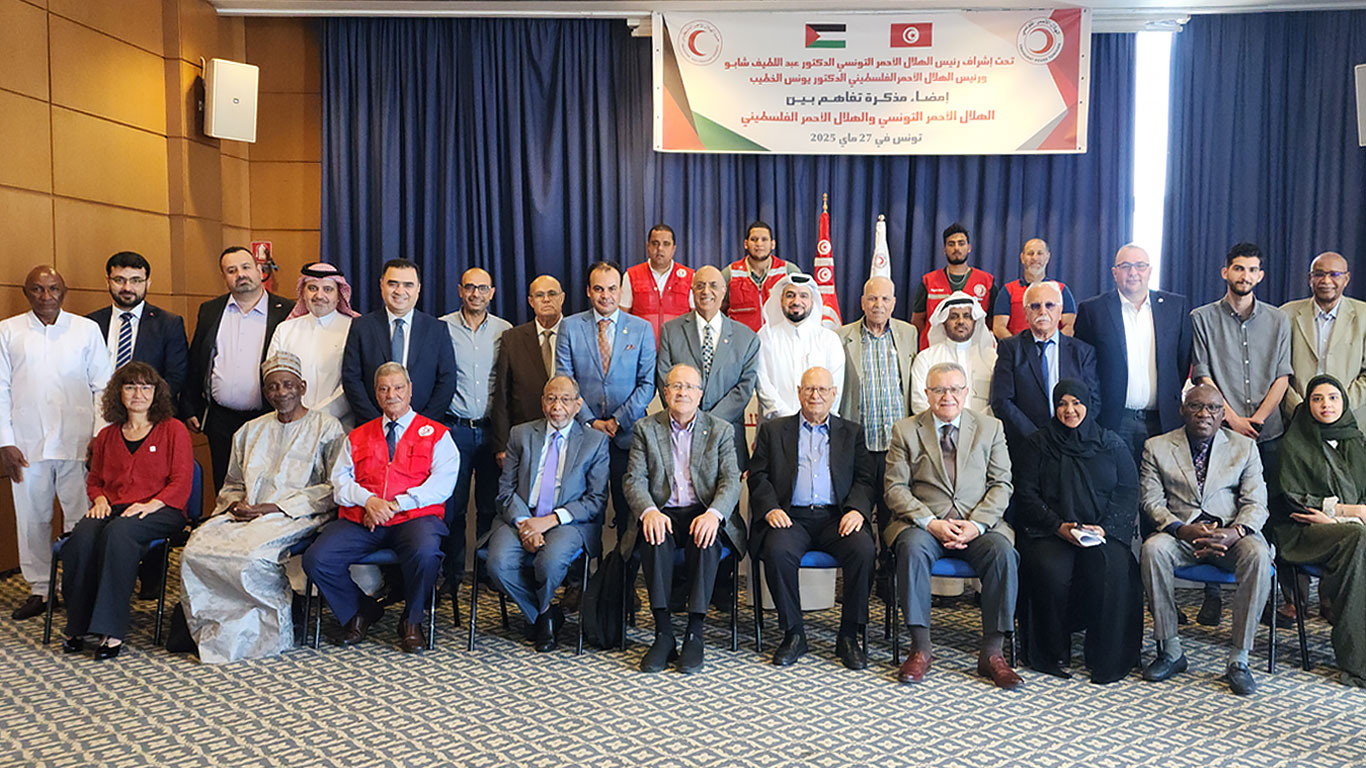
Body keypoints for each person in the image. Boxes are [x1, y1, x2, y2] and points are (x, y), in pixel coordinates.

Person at [179, 351, 346, 663]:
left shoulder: (327, 427)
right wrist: (235, 504)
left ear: (302, 387)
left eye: (288, 385)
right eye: (273, 386)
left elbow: (332, 489)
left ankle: (265, 635)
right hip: (246, 515)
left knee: (252, 556)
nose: (281, 393)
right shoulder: (249, 430)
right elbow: (232, 483)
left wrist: (273, 507)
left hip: (297, 514)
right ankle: (217, 633)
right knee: (196, 550)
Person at [303, 363, 459, 653]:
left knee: (426, 553)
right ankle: (360, 611)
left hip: (415, 518)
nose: (392, 395)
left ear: (410, 390)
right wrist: (370, 501)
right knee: (317, 559)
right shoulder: (358, 435)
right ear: (376, 394)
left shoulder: (437, 435)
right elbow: (340, 482)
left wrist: (397, 504)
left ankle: (412, 621)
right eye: (384, 389)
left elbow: (442, 485)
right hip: (364, 518)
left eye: (398, 387)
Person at [883, 362, 1020, 689]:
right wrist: (931, 523)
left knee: (1003, 553)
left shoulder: (990, 428)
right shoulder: (905, 430)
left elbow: (1002, 484)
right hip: (924, 525)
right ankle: (920, 648)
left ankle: (993, 653)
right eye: (939, 389)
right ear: (927, 393)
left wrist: (977, 524)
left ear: (966, 392)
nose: (948, 396)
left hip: (978, 525)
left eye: (955, 389)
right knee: (911, 549)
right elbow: (895, 488)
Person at [1138, 384, 1272, 696]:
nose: (1204, 414)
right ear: (1183, 410)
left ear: (1223, 415)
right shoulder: (1156, 447)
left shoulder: (1244, 447)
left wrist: (1236, 531)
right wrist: (1180, 529)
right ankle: (1171, 650)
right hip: (1182, 534)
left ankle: (1239, 659)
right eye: (1196, 406)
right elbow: (1151, 502)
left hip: (1231, 534)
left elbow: (1256, 503)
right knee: (1152, 549)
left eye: (1212, 408)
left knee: (1258, 554)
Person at [59, 363, 193, 659]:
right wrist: (99, 500)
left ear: (156, 393)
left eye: (146, 387)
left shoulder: (174, 429)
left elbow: (182, 482)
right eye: (130, 386)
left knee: (119, 534)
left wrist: (151, 504)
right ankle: (78, 625)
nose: (138, 393)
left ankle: (111, 628)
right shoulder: (107, 435)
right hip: (114, 507)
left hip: (163, 509)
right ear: (118, 393)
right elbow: (95, 481)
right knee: (81, 538)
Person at [1, 266, 112, 621]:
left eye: (53, 288)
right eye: (37, 289)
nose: (46, 296)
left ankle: (80, 587)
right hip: (26, 445)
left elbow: (103, 386)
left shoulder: (86, 329)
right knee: (32, 520)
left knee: (81, 519)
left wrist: (99, 435)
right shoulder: (7, 331)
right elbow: (0, 389)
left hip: (78, 442)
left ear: (64, 292)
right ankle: (41, 589)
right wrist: (5, 441)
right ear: (26, 293)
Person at [1014, 379, 1142, 683]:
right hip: (1050, 531)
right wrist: (1058, 526)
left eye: (1076, 403)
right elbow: (1026, 493)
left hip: (1101, 532)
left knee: (1112, 568)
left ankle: (1106, 659)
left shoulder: (1111, 444)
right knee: (1049, 571)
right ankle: (1051, 654)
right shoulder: (1038, 444)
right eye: (1062, 404)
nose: (1069, 410)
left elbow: (1127, 491)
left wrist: (1105, 528)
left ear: (1088, 405)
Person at [749, 367, 876, 670]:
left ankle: (849, 636)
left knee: (863, 550)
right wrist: (770, 508)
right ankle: (794, 633)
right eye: (809, 389)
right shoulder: (773, 431)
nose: (815, 395)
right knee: (777, 551)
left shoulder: (852, 432)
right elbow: (757, 476)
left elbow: (866, 479)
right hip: (790, 516)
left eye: (822, 390)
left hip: (837, 517)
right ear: (799, 393)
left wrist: (857, 510)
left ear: (834, 394)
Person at [622, 364, 745, 674]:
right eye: (676, 386)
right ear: (665, 393)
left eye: (690, 387)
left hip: (702, 509)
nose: (683, 392)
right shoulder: (645, 429)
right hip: (663, 510)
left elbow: (731, 481)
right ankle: (663, 633)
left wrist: (714, 514)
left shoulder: (720, 430)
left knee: (706, 539)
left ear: (700, 394)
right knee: (652, 537)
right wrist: (649, 511)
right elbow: (634, 480)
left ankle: (695, 632)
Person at [486, 376, 610, 652]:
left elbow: (595, 500)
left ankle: (539, 617)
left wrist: (550, 521)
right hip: (520, 516)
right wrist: (525, 524)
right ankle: (543, 615)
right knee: (497, 565)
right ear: (542, 402)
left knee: (550, 563)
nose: (557, 407)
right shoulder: (520, 434)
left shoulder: (595, 442)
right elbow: (505, 491)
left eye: (565, 400)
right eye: (551, 399)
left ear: (578, 405)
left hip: (569, 521)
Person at [1269, 375, 1366, 687]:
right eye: (1317, 399)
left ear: (1344, 402)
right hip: (1302, 532)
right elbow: (1294, 499)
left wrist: (1340, 519)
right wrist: (1347, 513)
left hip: (1341, 530)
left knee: (1356, 538)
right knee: (1356, 539)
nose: (1326, 405)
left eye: (1333, 398)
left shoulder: (1356, 441)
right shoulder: (1294, 442)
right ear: (1307, 404)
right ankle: (1358, 661)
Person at [555, 260, 656, 533]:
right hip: (583, 434)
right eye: (599, 289)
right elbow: (565, 383)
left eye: (612, 288)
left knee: (628, 509)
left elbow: (648, 384)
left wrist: (617, 421)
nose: (606, 295)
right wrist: (591, 421)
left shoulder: (641, 328)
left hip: (627, 435)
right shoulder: (570, 327)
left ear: (621, 290)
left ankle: (625, 562)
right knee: (584, 508)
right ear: (588, 291)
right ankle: (588, 561)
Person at [1074, 244, 1193, 467]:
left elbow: (1182, 359)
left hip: (1163, 420)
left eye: (1140, 266)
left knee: (1161, 484)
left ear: (1150, 271)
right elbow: (1084, 366)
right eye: (1125, 266)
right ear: (1114, 272)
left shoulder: (1175, 307)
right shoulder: (1093, 310)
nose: (1133, 272)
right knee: (1116, 483)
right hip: (1114, 421)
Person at [185, 246, 291, 490]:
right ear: (224, 277)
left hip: (269, 417)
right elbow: (197, 359)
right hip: (221, 421)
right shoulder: (210, 310)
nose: (240, 274)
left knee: (264, 488)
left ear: (259, 270)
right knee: (225, 487)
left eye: (245, 267)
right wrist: (190, 406)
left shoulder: (286, 311)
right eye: (231, 270)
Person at [439, 268, 512, 596]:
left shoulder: (504, 330)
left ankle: (485, 573)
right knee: (452, 507)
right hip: (453, 430)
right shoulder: (441, 328)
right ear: (460, 290)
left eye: (482, 288)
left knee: (489, 506)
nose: (476, 294)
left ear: (492, 292)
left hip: (492, 432)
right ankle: (452, 575)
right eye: (470, 287)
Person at [656, 265, 760, 471]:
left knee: (727, 491)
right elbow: (665, 381)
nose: (706, 291)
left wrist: (706, 423)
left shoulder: (747, 338)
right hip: (681, 436)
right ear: (692, 291)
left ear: (724, 291)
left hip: (727, 437)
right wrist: (690, 420)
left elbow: (744, 388)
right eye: (700, 286)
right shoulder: (670, 331)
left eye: (713, 285)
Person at [837, 277, 916, 529]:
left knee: (893, 514)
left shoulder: (909, 333)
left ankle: (889, 553)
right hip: (860, 442)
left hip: (896, 444)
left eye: (884, 299)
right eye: (872, 298)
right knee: (857, 510)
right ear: (862, 302)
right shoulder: (841, 336)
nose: (878, 304)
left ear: (894, 303)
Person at [990, 282, 1101, 462]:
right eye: (1035, 306)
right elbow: (1002, 401)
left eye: (1049, 305)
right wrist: (1037, 438)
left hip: (1072, 446)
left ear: (1060, 310)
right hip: (1026, 447)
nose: (1043, 311)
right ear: (1026, 313)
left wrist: (1068, 434)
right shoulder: (1010, 348)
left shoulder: (1082, 352)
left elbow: (1093, 401)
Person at [341, 257, 456, 425]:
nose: (400, 291)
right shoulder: (361, 327)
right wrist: (377, 424)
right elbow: (351, 379)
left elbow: (447, 381)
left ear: (418, 288)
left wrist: (419, 425)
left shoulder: (437, 329)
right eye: (393, 284)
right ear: (382, 285)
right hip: (372, 427)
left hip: (422, 429)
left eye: (408, 285)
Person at [87, 251, 189, 407]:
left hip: (150, 414)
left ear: (148, 283)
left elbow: (176, 377)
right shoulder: (90, 323)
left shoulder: (169, 324)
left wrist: (139, 407)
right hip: (100, 410)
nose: (127, 288)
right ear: (108, 282)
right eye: (119, 280)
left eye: (136, 281)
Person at [266, 262, 361, 429]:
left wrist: (316, 417)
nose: (319, 295)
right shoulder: (285, 329)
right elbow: (273, 378)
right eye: (312, 288)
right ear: (303, 293)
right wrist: (298, 414)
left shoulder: (355, 329)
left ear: (339, 295)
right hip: (291, 423)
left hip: (338, 425)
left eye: (328, 289)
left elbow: (354, 382)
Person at [1281, 252, 1366, 425]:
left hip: (1351, 420)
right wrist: (1299, 408)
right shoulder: (1285, 314)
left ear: (1346, 279)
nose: (1326, 281)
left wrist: (1338, 405)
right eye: (1319, 274)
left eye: (1334, 274)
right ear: (1310, 279)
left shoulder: (1363, 315)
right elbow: (1276, 372)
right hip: (1296, 420)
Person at [491, 275, 566, 464]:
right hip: (525, 438)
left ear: (562, 298)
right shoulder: (512, 338)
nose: (546, 299)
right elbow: (502, 395)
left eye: (552, 294)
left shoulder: (578, 332)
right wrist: (502, 445)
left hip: (570, 437)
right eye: (540, 295)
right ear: (531, 301)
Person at [755, 273, 845, 421]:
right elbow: (762, 383)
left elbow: (834, 389)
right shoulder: (766, 337)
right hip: (776, 425)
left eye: (803, 296)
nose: (796, 301)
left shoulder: (829, 340)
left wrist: (812, 419)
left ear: (812, 302)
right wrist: (790, 420)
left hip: (819, 425)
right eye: (790, 295)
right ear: (781, 300)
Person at [910, 223, 996, 350]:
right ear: (944, 249)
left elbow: (992, 322)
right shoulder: (928, 281)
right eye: (951, 244)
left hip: (974, 351)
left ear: (969, 247)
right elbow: (917, 321)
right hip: (935, 351)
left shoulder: (986, 281)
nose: (956, 248)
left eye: (961, 243)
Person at [909, 291, 996, 414]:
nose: (961, 321)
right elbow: (919, 403)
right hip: (937, 426)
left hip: (983, 425)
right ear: (944, 321)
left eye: (967, 316)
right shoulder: (926, 358)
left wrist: (978, 424)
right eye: (954, 316)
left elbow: (997, 402)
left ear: (975, 321)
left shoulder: (991, 358)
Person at [722, 220, 800, 332]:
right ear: (746, 244)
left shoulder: (788, 271)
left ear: (773, 244)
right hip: (741, 340)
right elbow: (717, 309)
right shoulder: (730, 273)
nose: (759, 244)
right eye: (754, 239)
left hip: (780, 338)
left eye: (764, 239)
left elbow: (803, 304)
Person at [991, 238, 1077, 339]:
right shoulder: (1008, 290)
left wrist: (1050, 345)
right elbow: (999, 327)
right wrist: (1017, 347)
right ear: (1022, 258)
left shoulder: (1061, 290)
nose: (1035, 258)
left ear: (1047, 257)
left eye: (1040, 253)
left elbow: (1069, 326)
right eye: (1030, 253)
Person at [620, 224, 694, 339]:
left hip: (678, 345)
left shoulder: (689, 277)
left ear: (673, 249)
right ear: (648, 246)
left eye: (666, 244)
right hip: (641, 345)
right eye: (655, 243)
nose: (660, 249)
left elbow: (696, 319)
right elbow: (623, 317)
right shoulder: (631, 275)